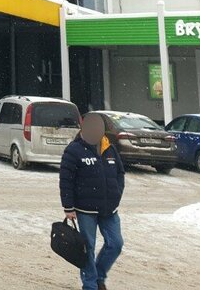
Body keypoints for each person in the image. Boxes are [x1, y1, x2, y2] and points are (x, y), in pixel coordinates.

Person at [59, 113, 125, 290]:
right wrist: (68, 207)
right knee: (88, 248)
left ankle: (98, 276)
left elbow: (120, 173)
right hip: (85, 210)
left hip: (109, 209)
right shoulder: (74, 150)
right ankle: (90, 285)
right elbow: (66, 180)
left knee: (116, 244)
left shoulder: (109, 148)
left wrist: (117, 193)